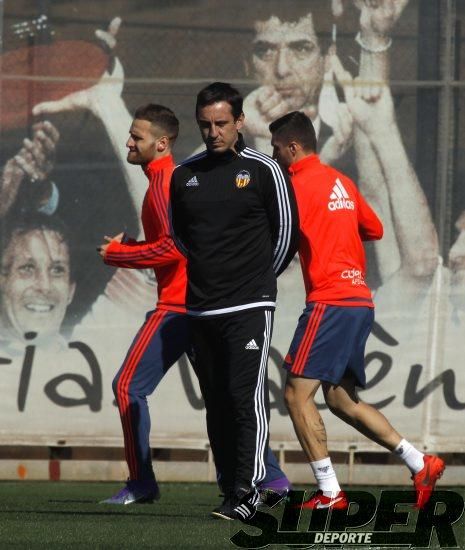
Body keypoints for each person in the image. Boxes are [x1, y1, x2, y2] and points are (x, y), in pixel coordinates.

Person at [96, 103, 290, 505]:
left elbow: (173, 247)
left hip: (180, 306)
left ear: (162, 143)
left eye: (137, 136)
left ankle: (142, 482)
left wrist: (119, 254)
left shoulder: (168, 180)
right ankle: (270, 478)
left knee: (128, 385)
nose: (129, 142)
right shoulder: (164, 179)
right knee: (224, 397)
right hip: (198, 304)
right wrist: (131, 246)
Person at [268, 110, 445, 510]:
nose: (274, 156)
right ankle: (420, 462)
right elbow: (374, 229)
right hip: (359, 301)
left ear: (293, 148)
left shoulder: (293, 186)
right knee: (341, 400)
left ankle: (330, 492)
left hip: (330, 302)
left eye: (277, 149)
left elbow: (275, 235)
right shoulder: (340, 181)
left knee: (296, 395)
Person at [170, 82, 299, 520]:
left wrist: (258, 281)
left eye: (222, 123)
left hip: (249, 306)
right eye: (205, 125)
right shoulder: (184, 174)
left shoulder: (264, 169)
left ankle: (250, 490)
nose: (213, 132)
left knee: (246, 398)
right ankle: (229, 487)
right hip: (201, 307)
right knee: (219, 402)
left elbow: (285, 236)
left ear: (240, 122)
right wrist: (211, 275)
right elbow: (182, 237)